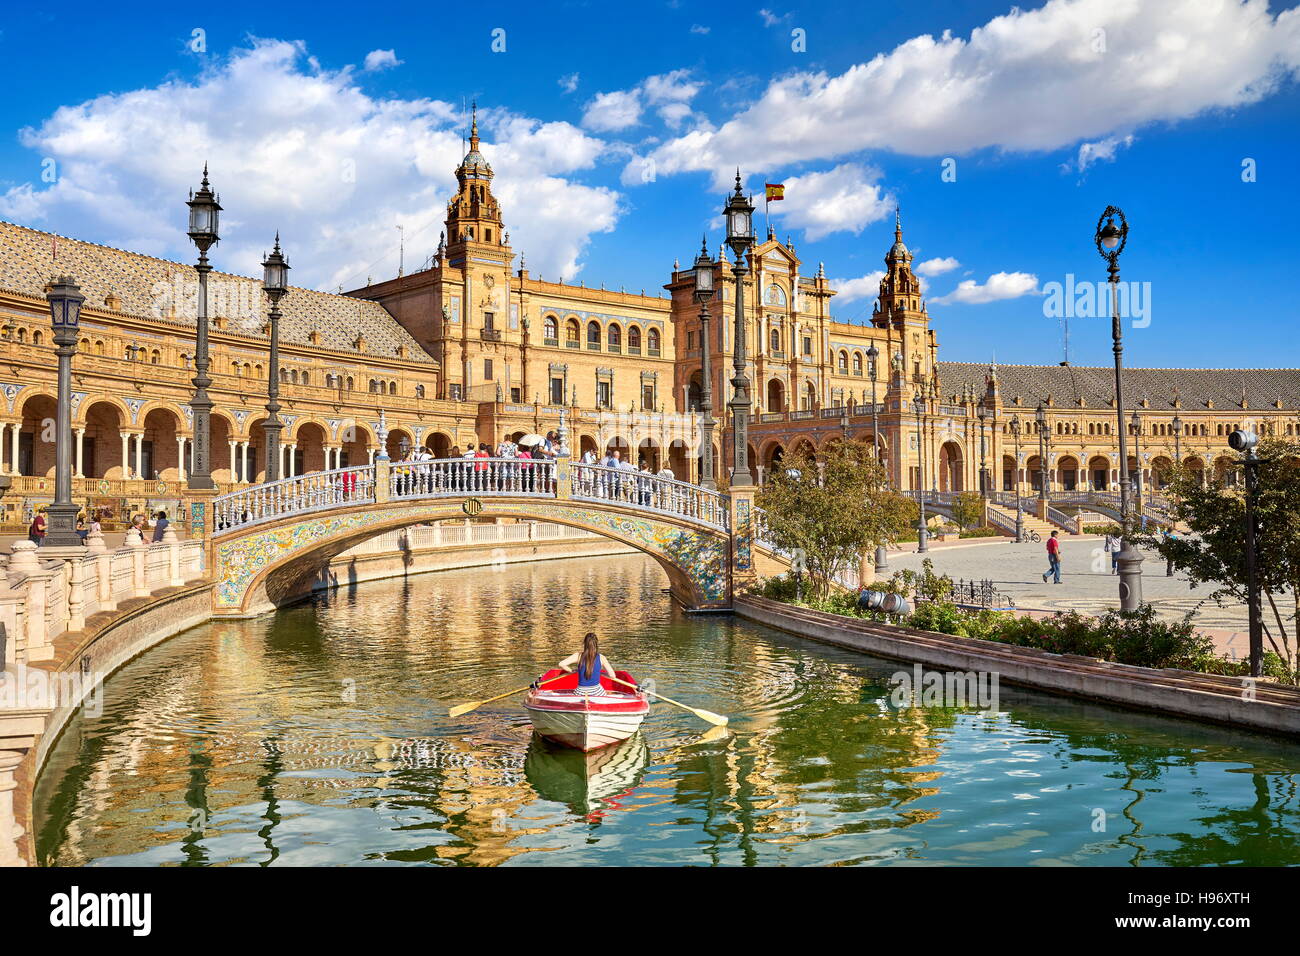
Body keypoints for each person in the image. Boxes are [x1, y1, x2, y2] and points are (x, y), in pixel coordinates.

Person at [557, 632, 618, 697]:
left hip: (580, 692)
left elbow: (561, 664)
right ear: (596, 644)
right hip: (597, 692)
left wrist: (571, 671)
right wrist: (602, 673)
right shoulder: (601, 657)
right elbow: (612, 676)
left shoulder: (578, 656)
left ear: (585, 644)